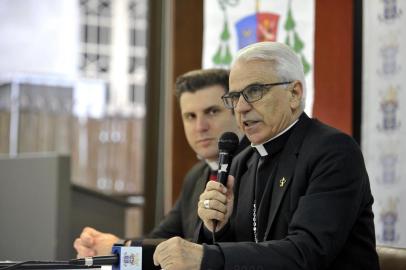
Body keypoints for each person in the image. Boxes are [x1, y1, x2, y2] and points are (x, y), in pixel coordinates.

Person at [152, 42, 379, 270]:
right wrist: (219, 226)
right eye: (235, 97)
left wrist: (206, 256)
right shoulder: (242, 163)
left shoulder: (333, 151)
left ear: (294, 93)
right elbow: (243, 251)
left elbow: (307, 253)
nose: (240, 108)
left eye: (254, 92)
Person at [73, 68, 248, 257]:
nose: (200, 127)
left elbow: (200, 248)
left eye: (212, 112)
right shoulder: (196, 175)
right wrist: (108, 248)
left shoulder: (254, 167)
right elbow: (163, 236)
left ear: (236, 111)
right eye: (190, 116)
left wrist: (121, 247)